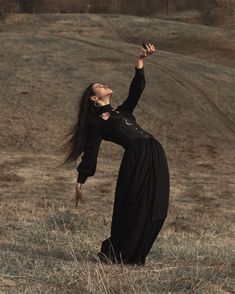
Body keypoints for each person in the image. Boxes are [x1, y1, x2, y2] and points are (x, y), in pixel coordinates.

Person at [62, 43, 170, 266]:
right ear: (94, 98)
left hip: (154, 152)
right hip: (137, 157)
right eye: (98, 86)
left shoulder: (122, 111)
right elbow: (91, 152)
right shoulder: (97, 122)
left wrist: (140, 61)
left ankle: (136, 253)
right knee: (136, 206)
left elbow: (137, 89)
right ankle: (122, 255)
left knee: (158, 204)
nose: (104, 85)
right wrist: (81, 180)